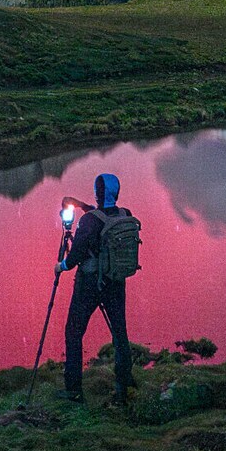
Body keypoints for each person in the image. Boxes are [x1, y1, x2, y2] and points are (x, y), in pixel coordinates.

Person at [59, 172, 140, 404]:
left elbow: (75, 256)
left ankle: (74, 390)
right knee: (119, 333)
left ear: (98, 191)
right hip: (115, 282)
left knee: (73, 333)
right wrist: (85, 206)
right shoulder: (125, 215)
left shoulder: (90, 221)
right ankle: (124, 383)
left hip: (89, 284)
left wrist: (60, 266)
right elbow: (103, 216)